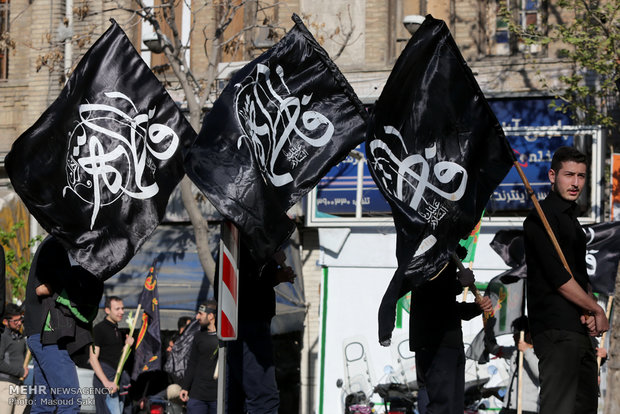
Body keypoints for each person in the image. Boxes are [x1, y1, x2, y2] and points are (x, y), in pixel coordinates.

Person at [523, 146, 609, 414]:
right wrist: (596, 309)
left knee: (584, 408)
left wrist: (589, 306)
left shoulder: (572, 220)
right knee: (559, 408)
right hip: (556, 329)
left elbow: (577, 276)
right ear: (552, 175)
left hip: (578, 331)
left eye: (581, 176)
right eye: (568, 174)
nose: (575, 183)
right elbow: (559, 279)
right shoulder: (541, 217)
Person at [24, 235, 102, 414]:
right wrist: (75, 282)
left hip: (42, 334)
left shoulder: (58, 244)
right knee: (70, 400)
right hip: (48, 335)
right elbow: (41, 288)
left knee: (44, 404)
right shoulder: (55, 244)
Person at [410, 260, 493, 414]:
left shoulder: (448, 257)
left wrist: (476, 307)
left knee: (454, 407)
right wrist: (459, 284)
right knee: (441, 406)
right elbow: (430, 297)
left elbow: (449, 308)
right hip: (435, 345)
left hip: (452, 342)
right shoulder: (430, 256)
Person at [226, 242, 296, 414]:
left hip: (242, 322)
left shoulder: (236, 237)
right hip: (251, 322)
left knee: (237, 397)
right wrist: (272, 262)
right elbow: (249, 281)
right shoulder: (250, 237)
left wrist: (276, 274)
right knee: (264, 399)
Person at [484, 316, 539, 414]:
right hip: (509, 407)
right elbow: (493, 349)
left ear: (527, 335)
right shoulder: (514, 351)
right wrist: (489, 328)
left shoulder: (538, 353)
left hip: (527, 409)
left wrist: (526, 350)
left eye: (516, 333)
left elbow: (540, 374)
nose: (513, 336)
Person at [90, 296, 134, 414]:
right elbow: (93, 358)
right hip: (106, 381)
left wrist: (127, 346)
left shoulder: (118, 331)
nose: (122, 312)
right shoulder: (99, 329)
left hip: (116, 380)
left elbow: (117, 357)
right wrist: (106, 382)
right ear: (107, 310)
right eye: (117, 309)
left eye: (122, 308)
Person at [180, 300, 219, 413]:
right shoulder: (198, 336)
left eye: (200, 314)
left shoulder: (225, 337)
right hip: (197, 396)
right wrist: (185, 387)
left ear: (211, 316)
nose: (197, 317)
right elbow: (192, 363)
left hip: (217, 397)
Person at [0, 304, 28, 414]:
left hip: (20, 386)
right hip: (5, 386)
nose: (19, 323)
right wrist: (21, 371)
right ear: (5, 322)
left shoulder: (20, 337)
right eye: (15, 321)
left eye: (20, 319)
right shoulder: (2, 337)